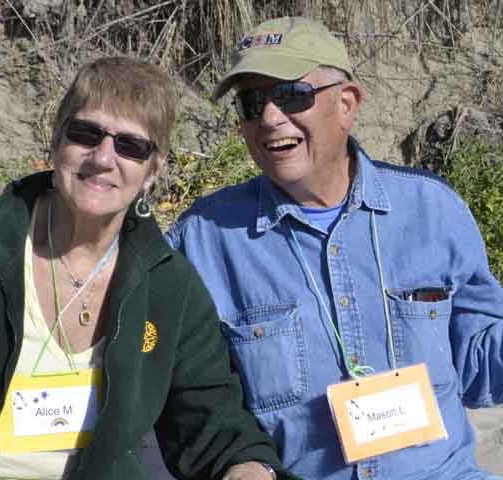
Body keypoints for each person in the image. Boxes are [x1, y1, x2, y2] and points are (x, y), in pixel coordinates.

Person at [0, 57, 291, 480]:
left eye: (130, 145)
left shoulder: (169, 285)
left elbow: (209, 418)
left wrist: (247, 466)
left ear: (152, 171)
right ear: (55, 141)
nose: (104, 158)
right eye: (85, 134)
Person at [166, 16, 503, 480]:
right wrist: (237, 460)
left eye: (290, 96)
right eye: (252, 102)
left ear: (347, 104)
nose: (269, 117)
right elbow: (190, 392)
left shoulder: (434, 210)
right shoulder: (202, 240)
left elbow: (479, 363)